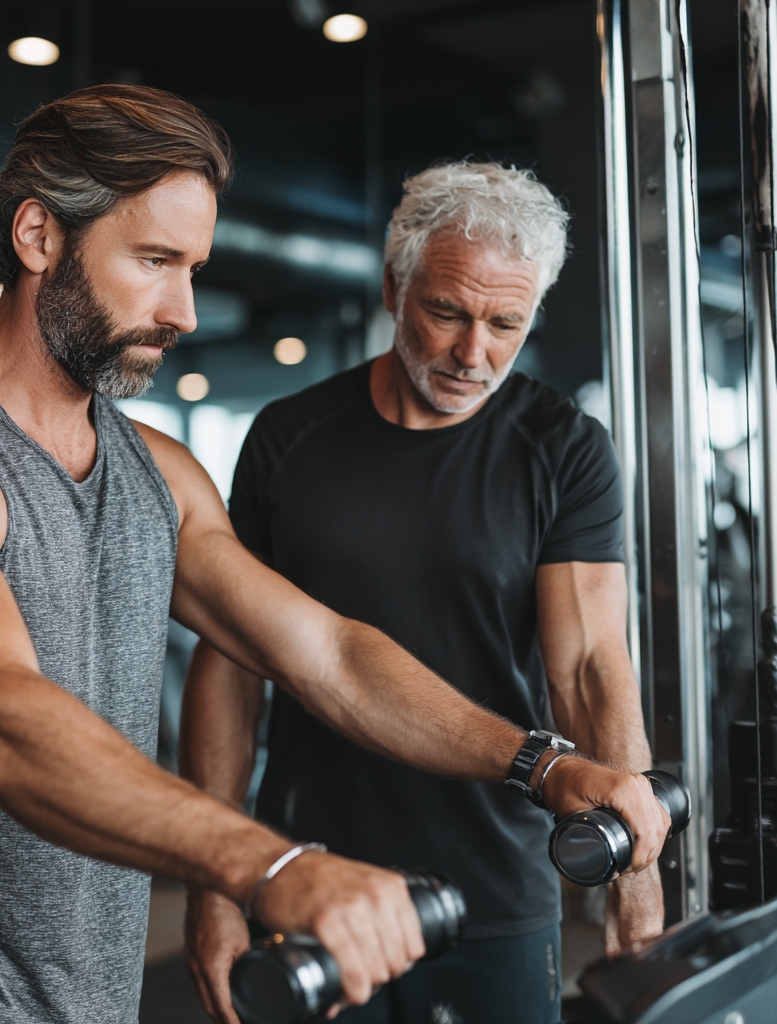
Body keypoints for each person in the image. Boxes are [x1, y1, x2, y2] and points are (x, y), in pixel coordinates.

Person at [0, 90, 668, 1024]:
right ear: (37, 236)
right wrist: (272, 868)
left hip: (93, 1002)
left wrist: (542, 765)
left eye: (195, 268)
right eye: (153, 261)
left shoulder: (159, 476)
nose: (183, 308)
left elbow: (326, 656)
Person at [182, 162, 665, 1024]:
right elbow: (230, 662)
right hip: (312, 876)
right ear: (392, 285)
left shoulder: (563, 450)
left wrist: (637, 879)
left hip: (497, 879)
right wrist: (216, 888)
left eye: (505, 323)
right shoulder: (290, 437)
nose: (470, 354)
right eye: (445, 311)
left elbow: (590, 664)